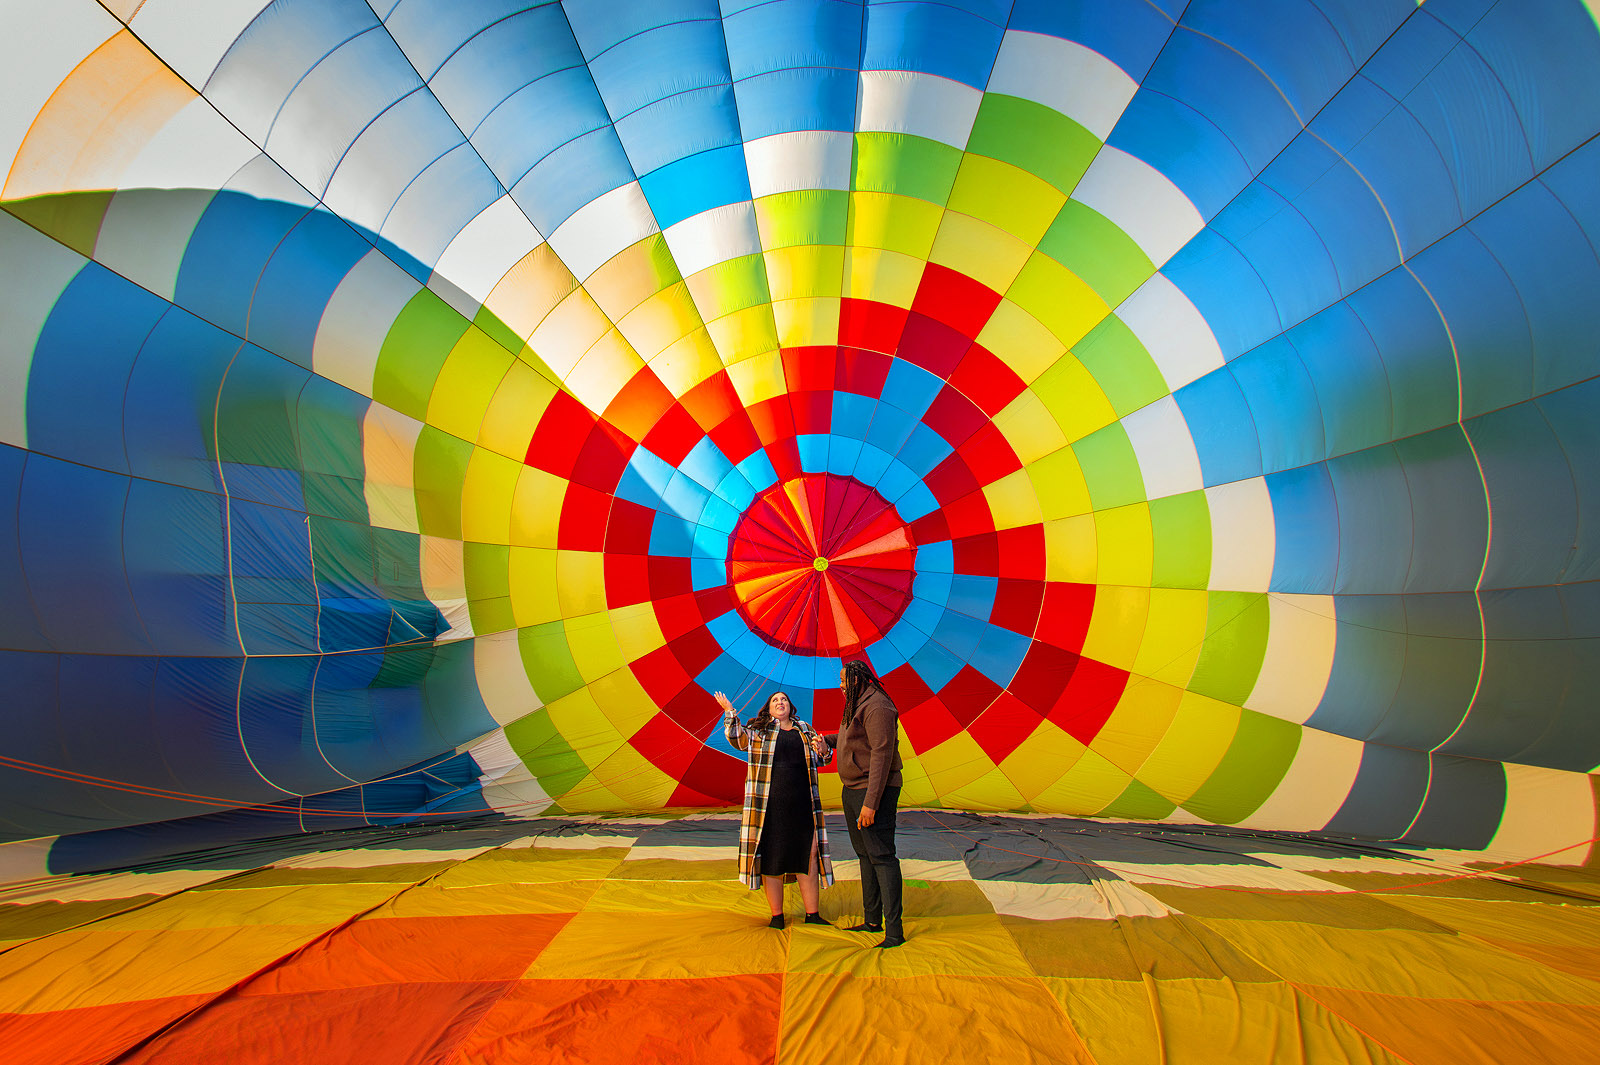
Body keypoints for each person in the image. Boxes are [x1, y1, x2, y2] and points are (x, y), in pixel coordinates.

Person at [717, 689, 835, 928]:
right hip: (769, 807)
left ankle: (813, 914)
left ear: (791, 707)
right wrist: (730, 712)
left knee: (809, 856)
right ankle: (777, 916)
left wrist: (824, 749)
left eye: (784, 700)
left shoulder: (805, 730)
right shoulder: (760, 731)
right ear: (768, 709)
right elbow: (737, 739)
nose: (780, 702)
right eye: (775, 701)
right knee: (773, 859)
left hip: (803, 804)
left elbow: (823, 758)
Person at [818, 659, 905, 948]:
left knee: (881, 855)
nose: (840, 687)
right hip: (853, 788)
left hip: (872, 791)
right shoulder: (857, 702)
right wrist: (828, 741)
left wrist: (871, 804)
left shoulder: (878, 707)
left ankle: (894, 932)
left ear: (856, 681)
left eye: (843, 682)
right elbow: (851, 738)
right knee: (865, 855)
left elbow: (880, 755)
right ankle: (872, 921)